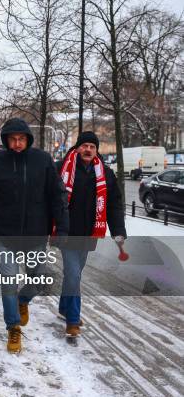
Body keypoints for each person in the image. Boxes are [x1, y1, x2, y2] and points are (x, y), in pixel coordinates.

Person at [0, 118, 69, 353]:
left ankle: (23, 300)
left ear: (28, 139)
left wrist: (62, 227)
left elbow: (57, 195)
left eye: (21, 139)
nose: (17, 144)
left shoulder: (43, 160)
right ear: (6, 140)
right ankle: (13, 327)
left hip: (36, 234)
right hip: (4, 235)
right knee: (7, 282)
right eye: (12, 139)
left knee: (38, 278)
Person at [56, 131, 126, 337]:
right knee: (74, 274)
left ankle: (63, 307)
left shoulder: (105, 173)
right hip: (67, 232)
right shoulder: (62, 168)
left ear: (96, 150)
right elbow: (48, 197)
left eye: (92, 146)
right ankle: (73, 319)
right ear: (77, 148)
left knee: (73, 275)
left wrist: (118, 231)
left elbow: (113, 205)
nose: (88, 149)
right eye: (84, 145)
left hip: (89, 233)